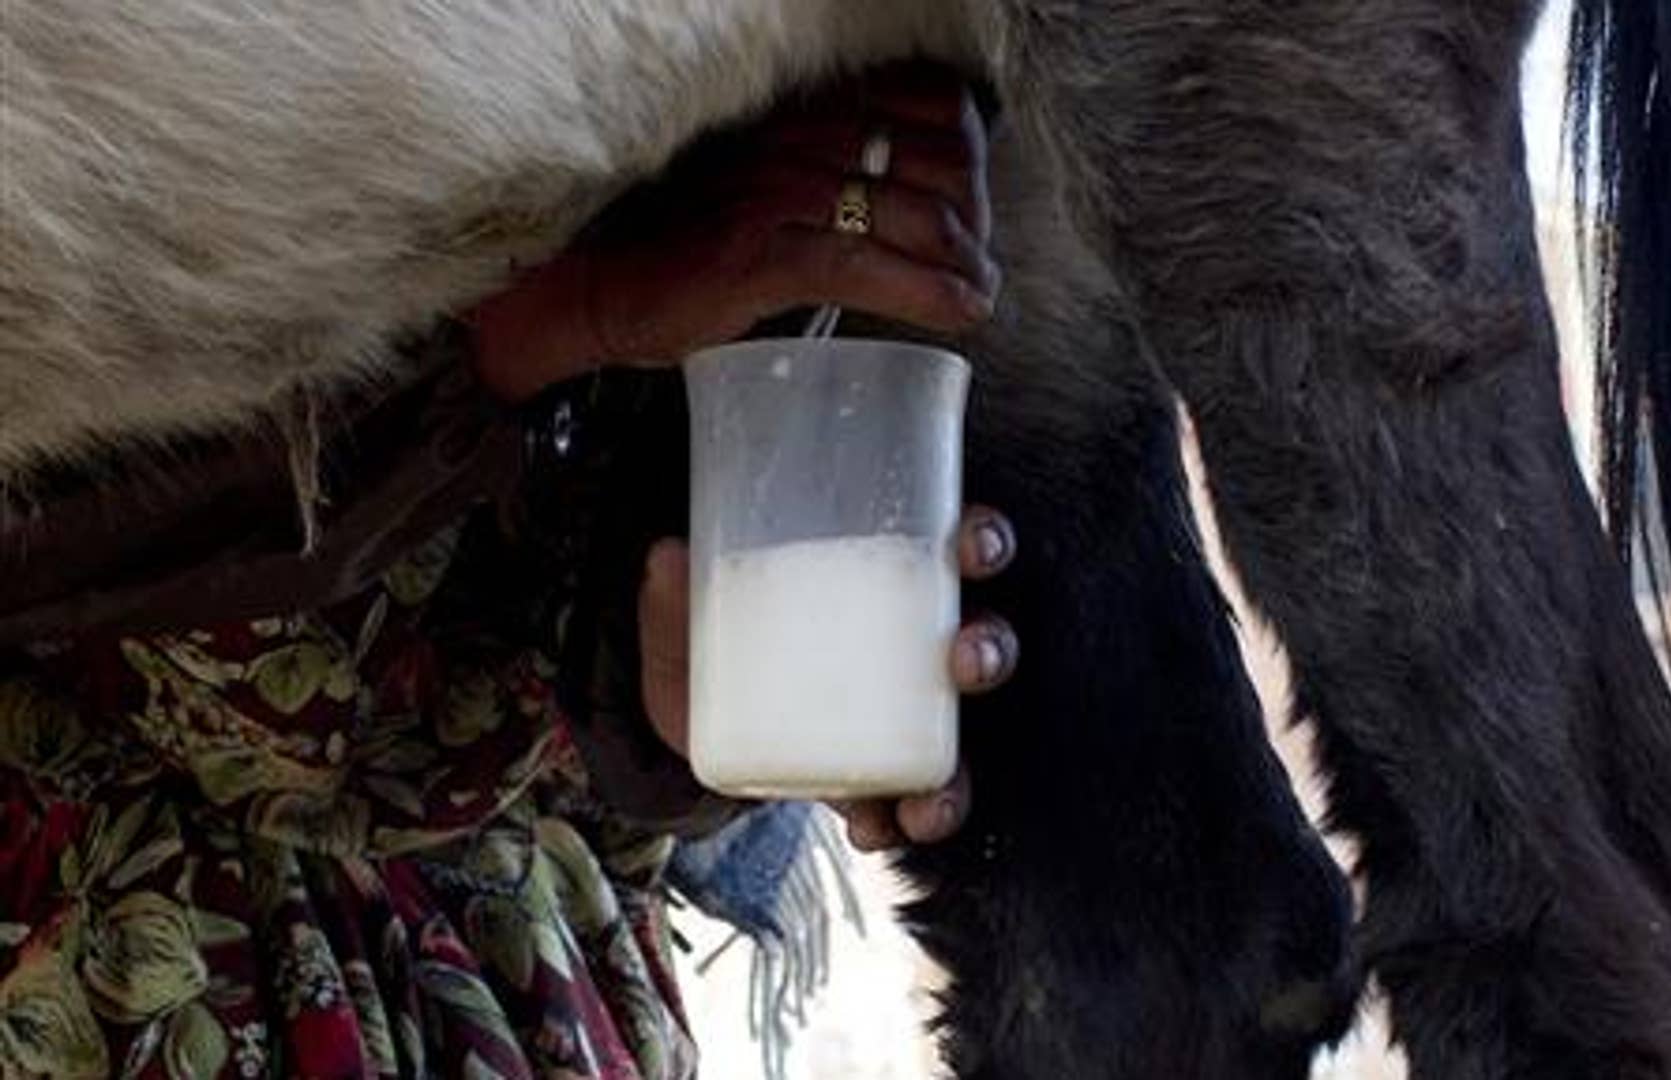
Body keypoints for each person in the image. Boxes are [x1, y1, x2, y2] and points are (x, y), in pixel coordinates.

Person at [0, 64, 1010, 1078]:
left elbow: (544, 621)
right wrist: (555, 323)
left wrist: (659, 685)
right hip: (85, 963)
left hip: (517, 972)